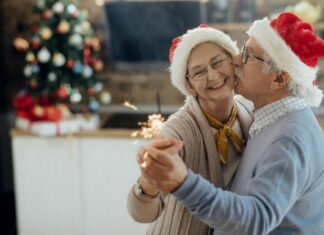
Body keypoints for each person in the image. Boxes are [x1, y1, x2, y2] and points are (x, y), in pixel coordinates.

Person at [140, 12, 324, 234]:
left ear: (279, 79)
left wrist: (183, 182)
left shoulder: (288, 138)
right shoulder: (268, 119)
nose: (236, 59)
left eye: (248, 55)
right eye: (198, 72)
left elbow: (256, 219)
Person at [127, 25, 254, 235]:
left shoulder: (249, 110)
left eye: (217, 63)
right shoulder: (178, 130)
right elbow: (141, 214)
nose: (213, 76)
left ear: (232, 61)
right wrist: (147, 182)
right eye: (199, 72)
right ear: (189, 85)